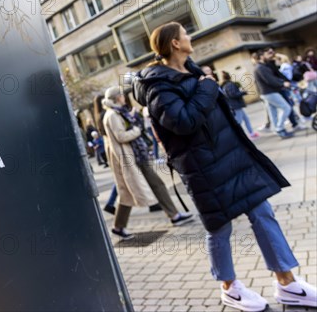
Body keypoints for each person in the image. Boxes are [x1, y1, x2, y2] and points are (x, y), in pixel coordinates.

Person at [133, 21, 317, 311]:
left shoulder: (193, 73)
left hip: (231, 157)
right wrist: (207, 88)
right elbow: (183, 122)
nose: (189, 37)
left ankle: (287, 281)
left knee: (262, 211)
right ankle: (229, 287)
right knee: (219, 226)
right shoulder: (158, 86)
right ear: (175, 44)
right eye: (185, 34)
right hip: (203, 167)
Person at [102, 86, 193, 240]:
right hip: (129, 157)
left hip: (136, 156)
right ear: (117, 97)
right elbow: (121, 136)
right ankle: (118, 226)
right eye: (122, 95)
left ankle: (174, 215)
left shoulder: (118, 112)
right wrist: (137, 130)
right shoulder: (112, 115)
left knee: (154, 185)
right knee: (127, 192)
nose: (124, 97)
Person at [254, 49, 295, 138]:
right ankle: (280, 128)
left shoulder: (262, 66)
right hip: (269, 92)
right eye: (267, 54)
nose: (269, 55)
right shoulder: (260, 68)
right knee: (286, 108)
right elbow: (270, 80)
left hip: (267, 92)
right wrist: (283, 83)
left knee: (273, 113)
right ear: (262, 56)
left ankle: (277, 129)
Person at [94, 94, 117, 214]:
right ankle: (110, 203)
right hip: (115, 148)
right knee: (121, 180)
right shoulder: (107, 115)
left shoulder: (98, 116)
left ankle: (110, 203)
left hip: (109, 148)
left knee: (121, 179)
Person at [220, 71, 259, 139]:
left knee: (246, 119)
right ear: (229, 77)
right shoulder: (230, 84)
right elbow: (233, 94)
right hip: (236, 106)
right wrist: (243, 92)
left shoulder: (225, 85)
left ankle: (251, 133)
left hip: (236, 105)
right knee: (238, 122)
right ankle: (238, 137)